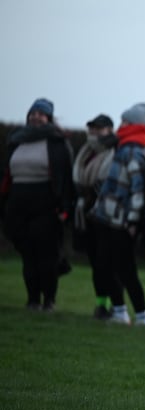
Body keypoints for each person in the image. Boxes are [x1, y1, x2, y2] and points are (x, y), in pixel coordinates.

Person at [1, 98, 74, 311]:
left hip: (45, 202)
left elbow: (66, 178)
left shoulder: (58, 143)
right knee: (28, 254)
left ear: (49, 118)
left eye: (41, 114)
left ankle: (49, 300)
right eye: (33, 113)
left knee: (47, 255)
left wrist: (65, 207)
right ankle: (32, 299)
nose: (36, 117)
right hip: (18, 201)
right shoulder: (16, 140)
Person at [91, 102, 145, 326]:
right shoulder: (125, 147)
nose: (121, 125)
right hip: (108, 217)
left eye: (125, 122)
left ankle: (141, 315)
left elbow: (138, 191)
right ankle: (120, 310)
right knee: (106, 265)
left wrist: (133, 220)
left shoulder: (133, 151)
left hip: (120, 220)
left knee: (126, 269)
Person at [72, 113, 117, 318]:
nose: (94, 132)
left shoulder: (114, 151)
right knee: (94, 261)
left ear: (109, 130)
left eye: (99, 128)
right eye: (92, 128)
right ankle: (100, 303)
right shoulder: (86, 150)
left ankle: (115, 305)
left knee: (106, 262)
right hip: (86, 210)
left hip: (104, 213)